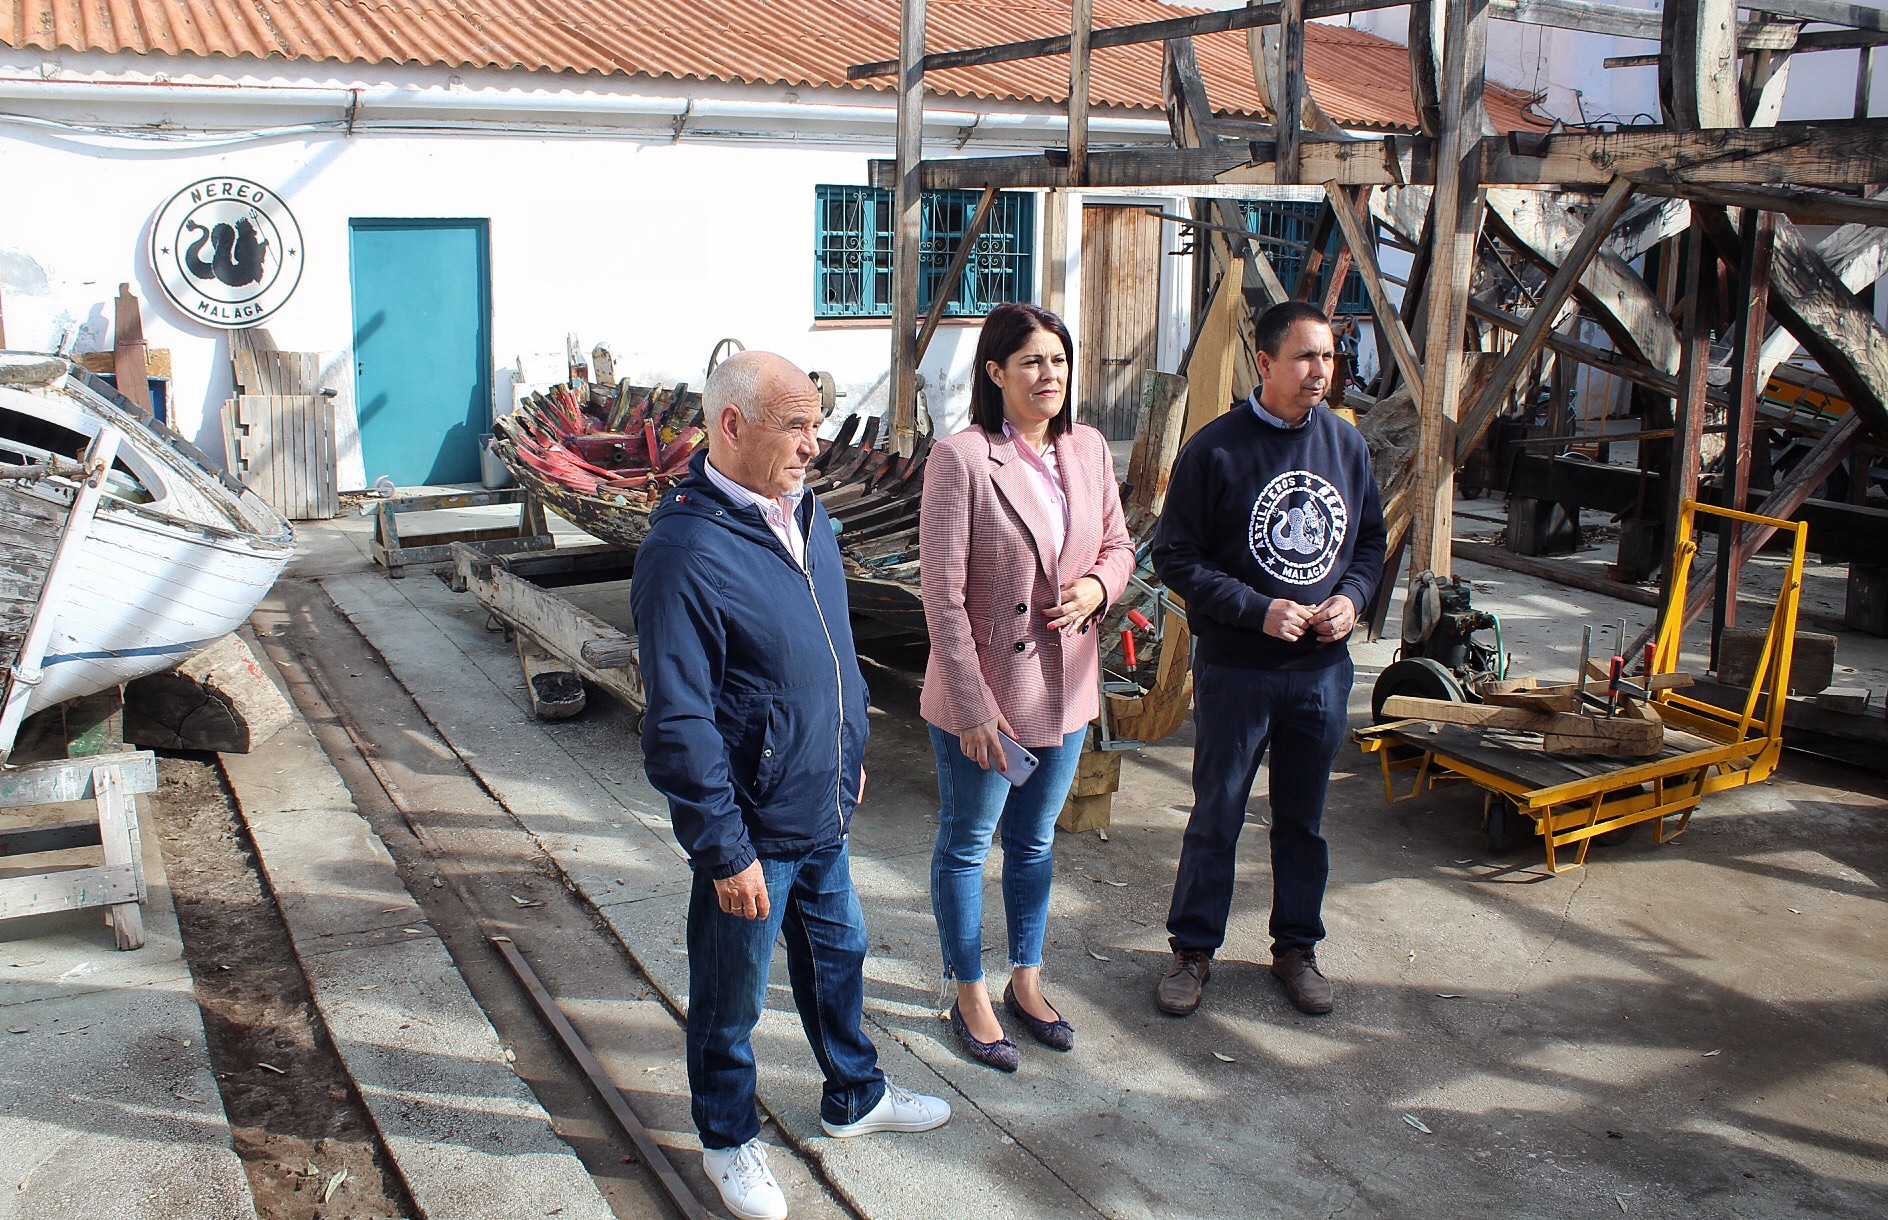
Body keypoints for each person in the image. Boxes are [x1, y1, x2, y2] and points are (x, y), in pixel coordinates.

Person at [632, 351, 950, 1220]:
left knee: (838, 960)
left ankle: (855, 1095)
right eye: (796, 427)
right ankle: (728, 1139)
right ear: (731, 427)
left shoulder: (808, 516)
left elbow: (833, 655)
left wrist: (847, 758)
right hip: (749, 828)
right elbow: (679, 720)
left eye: (818, 424)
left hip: (821, 803)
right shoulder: (686, 549)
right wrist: (721, 847)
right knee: (731, 997)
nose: (815, 445)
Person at [1150, 301, 1385, 1020]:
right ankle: (1193, 950)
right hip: (1238, 671)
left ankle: (1296, 949)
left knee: (1303, 820)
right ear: (1266, 362)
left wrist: (1351, 597)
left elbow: (1370, 545)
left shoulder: (1346, 446)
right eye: (1307, 357)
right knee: (1217, 812)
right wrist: (1258, 608)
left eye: (1329, 357)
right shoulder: (1215, 449)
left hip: (1319, 672)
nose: (1322, 371)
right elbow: (1174, 556)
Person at [919, 302, 1136, 1071]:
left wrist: (1098, 591)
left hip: (1067, 688)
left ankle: (1028, 978)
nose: (1050, 376)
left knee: (1036, 842)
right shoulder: (963, 458)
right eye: (1033, 362)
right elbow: (941, 598)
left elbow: (1118, 543)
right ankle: (968, 988)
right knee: (969, 844)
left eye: (1059, 360)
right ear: (995, 372)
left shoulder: (1087, 448)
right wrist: (973, 707)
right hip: (987, 696)